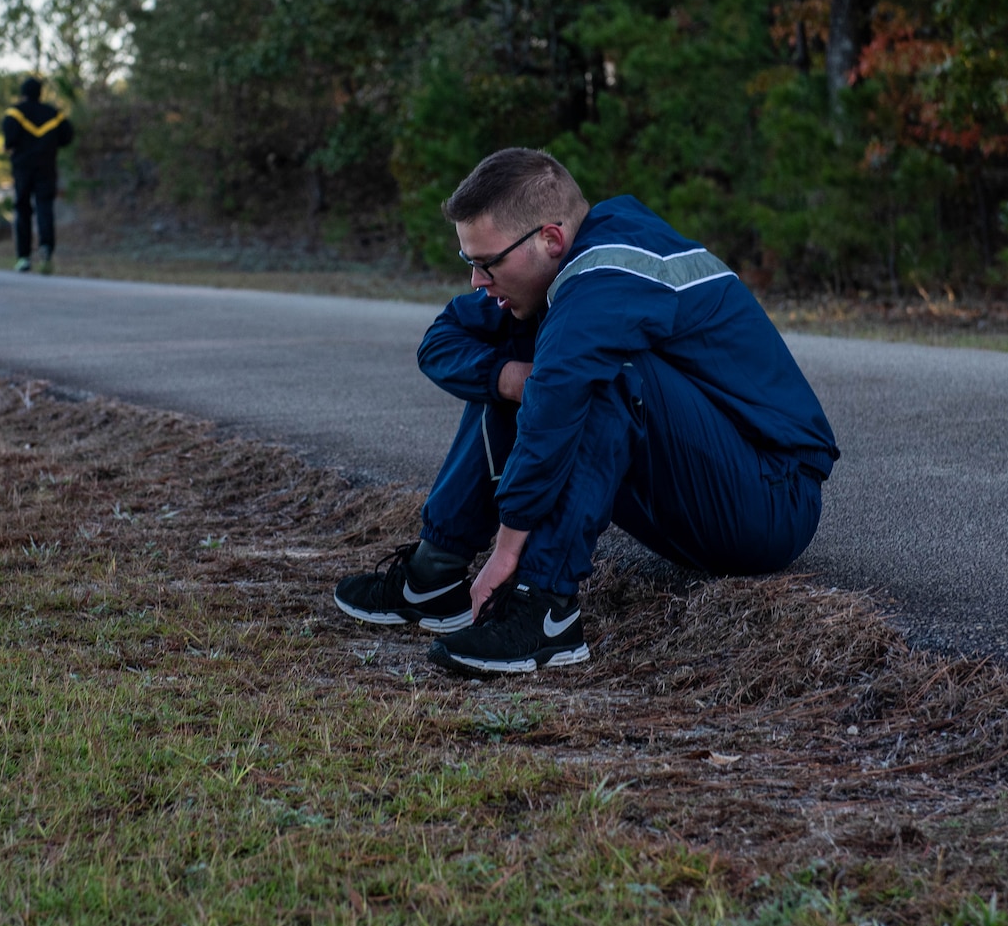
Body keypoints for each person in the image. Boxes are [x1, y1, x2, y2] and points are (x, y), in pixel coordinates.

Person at [333, 148, 840, 676]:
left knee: (597, 373)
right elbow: (440, 341)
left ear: (550, 239)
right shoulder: (548, 274)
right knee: (530, 368)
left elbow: (556, 406)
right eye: (469, 263)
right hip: (698, 493)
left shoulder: (607, 272)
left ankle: (546, 610)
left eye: (487, 263)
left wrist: (508, 550)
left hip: (771, 498)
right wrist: (511, 379)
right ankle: (433, 577)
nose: (477, 282)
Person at [1, 75, 73, 274]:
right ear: (40, 93)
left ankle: (23, 257)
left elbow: (9, 139)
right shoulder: (54, 114)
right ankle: (46, 248)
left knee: (23, 209)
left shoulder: (15, 113)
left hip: (23, 168)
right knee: (44, 207)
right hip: (46, 167)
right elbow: (67, 136)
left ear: (23, 93)